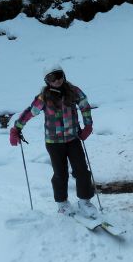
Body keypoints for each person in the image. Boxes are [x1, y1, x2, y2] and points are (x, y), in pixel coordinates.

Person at [9, 64, 97, 218]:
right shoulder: (44, 97)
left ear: (64, 75)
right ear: (47, 80)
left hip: (73, 139)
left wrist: (88, 125)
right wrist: (16, 128)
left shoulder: (73, 91)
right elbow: (30, 112)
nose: (57, 80)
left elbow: (84, 106)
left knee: (82, 170)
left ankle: (85, 201)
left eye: (59, 75)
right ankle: (62, 204)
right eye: (52, 78)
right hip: (54, 142)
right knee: (60, 173)